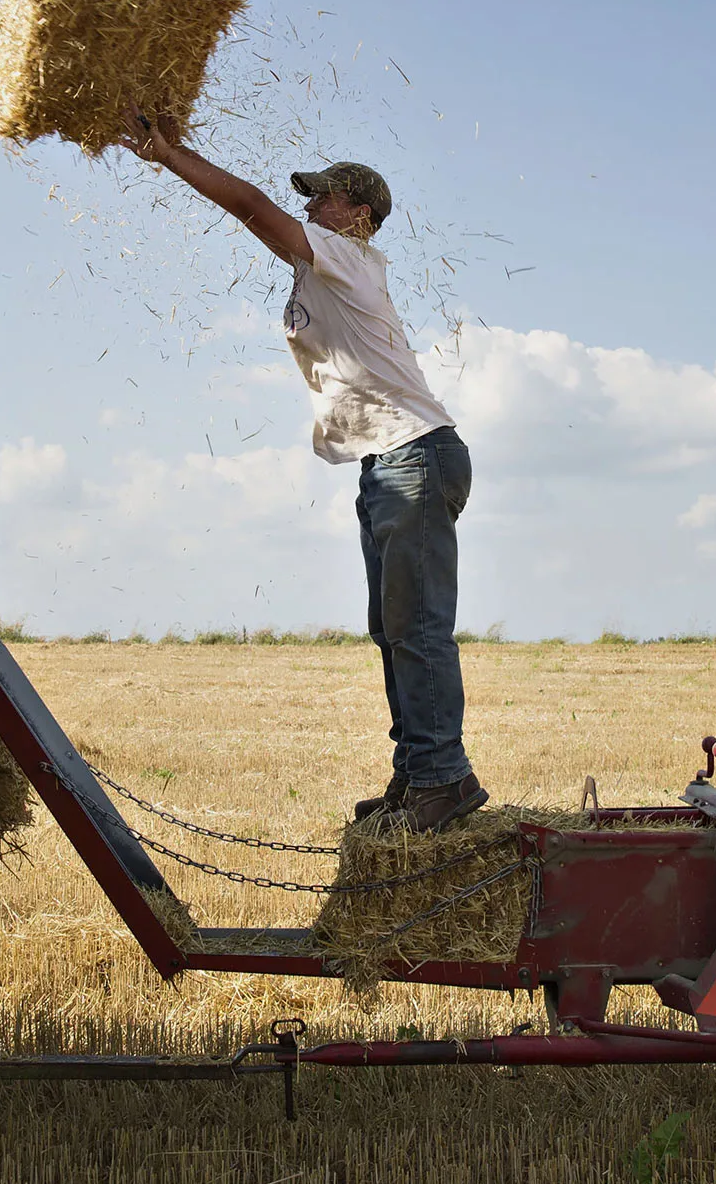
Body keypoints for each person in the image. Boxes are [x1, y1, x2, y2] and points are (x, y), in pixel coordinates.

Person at [119, 110, 486, 832]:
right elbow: (265, 217)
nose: (309, 204)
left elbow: (253, 206)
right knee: (392, 628)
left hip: (417, 454)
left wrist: (169, 154)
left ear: (361, 216)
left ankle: (446, 778)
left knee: (417, 630)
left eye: (323, 196)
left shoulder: (348, 258)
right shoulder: (326, 265)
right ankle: (418, 774)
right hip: (392, 462)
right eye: (310, 195)